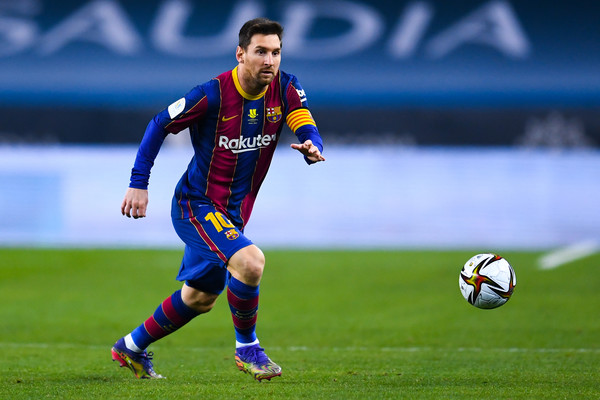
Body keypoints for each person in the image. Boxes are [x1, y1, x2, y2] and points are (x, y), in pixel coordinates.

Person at [110, 18, 325, 381]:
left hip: (234, 213)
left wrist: (312, 146)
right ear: (241, 54)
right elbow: (159, 123)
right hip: (196, 205)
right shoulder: (211, 94)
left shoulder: (287, 88)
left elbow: (304, 121)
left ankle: (130, 346)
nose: (270, 60)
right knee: (251, 262)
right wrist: (138, 183)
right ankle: (248, 349)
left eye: (275, 52)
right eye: (260, 52)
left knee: (199, 298)